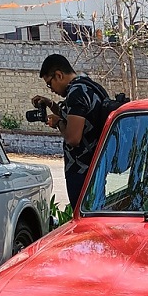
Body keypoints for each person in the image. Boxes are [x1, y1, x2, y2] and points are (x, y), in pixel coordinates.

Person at [32, 55, 107, 210]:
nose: (51, 89)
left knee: (84, 217)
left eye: (49, 84)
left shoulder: (76, 93)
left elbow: (73, 138)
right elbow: (75, 118)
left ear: (59, 75)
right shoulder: (88, 86)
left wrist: (58, 122)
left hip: (82, 172)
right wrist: (50, 104)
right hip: (95, 169)